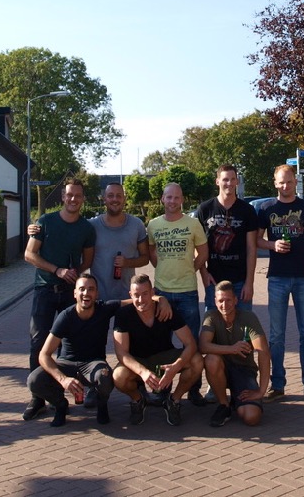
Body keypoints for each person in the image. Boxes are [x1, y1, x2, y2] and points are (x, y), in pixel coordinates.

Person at [27, 272, 173, 428]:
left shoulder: (104, 308)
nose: (86, 293)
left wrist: (162, 299)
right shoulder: (65, 317)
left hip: (94, 364)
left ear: (96, 293)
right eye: (82, 289)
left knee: (105, 377)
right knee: (34, 380)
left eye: (91, 289)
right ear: (75, 293)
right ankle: (60, 405)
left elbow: (137, 300)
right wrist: (63, 379)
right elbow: (44, 355)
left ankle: (102, 404)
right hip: (67, 363)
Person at [22, 177, 96, 421]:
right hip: (44, 291)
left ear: (82, 199)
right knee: (39, 342)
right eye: (69, 195)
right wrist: (57, 270)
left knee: (68, 345)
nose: (73, 199)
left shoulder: (86, 228)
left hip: (68, 293)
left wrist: (74, 276)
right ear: (63, 197)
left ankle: (63, 393)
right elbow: (29, 254)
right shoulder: (45, 222)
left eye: (77, 195)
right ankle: (38, 397)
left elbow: (87, 260)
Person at [256, 163, 304, 404]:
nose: (285, 186)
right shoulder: (266, 208)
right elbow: (256, 241)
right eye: (281, 182)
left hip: (303, 277)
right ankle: (278, 385)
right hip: (277, 277)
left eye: (289, 181)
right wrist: (272, 245)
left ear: (295, 182)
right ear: (275, 183)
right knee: (276, 335)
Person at [112, 274, 204, 426]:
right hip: (138, 361)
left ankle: (173, 400)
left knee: (197, 360)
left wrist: (176, 367)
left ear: (152, 292)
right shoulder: (124, 314)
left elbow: (191, 344)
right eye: (136, 295)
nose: (141, 300)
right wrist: (142, 372)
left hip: (164, 358)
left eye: (145, 294)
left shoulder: (166, 310)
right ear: (130, 295)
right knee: (118, 376)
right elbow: (121, 353)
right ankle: (138, 400)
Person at [147, 181, 209, 406]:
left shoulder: (192, 224)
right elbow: (152, 251)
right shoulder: (153, 225)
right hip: (162, 292)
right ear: (162, 200)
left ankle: (193, 388)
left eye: (176, 197)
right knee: (161, 344)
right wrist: (161, 268)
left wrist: (190, 269)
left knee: (190, 343)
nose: (172, 201)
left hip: (187, 293)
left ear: (182, 200)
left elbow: (203, 252)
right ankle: (161, 388)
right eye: (168, 197)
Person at [199, 280, 269, 427]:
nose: (224, 305)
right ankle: (224, 405)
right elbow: (203, 346)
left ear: (236, 300)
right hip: (221, 369)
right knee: (210, 360)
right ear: (215, 301)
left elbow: (263, 351)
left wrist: (261, 391)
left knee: (252, 418)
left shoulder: (249, 318)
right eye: (221, 301)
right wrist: (232, 349)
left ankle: (239, 401)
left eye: (228, 300)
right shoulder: (211, 317)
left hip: (244, 371)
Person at [194, 164, 259, 312]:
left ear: (237, 182)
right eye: (225, 179)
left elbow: (251, 248)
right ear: (217, 181)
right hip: (214, 280)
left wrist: (250, 282)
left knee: (243, 329)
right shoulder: (205, 209)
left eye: (232, 179)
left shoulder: (247, 211)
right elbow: (197, 246)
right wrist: (204, 274)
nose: (228, 183)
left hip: (240, 281)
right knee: (212, 328)